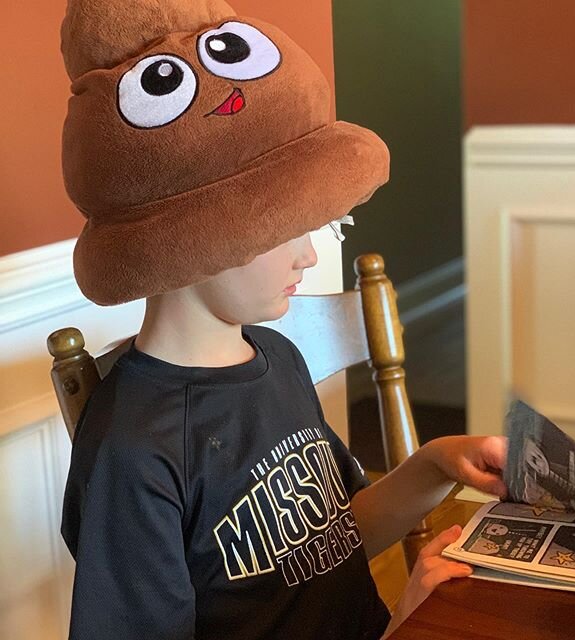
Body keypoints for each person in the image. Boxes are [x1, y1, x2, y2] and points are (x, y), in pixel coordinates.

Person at [58, 1, 507, 638]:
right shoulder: (132, 453)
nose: (310, 253)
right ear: (190, 238)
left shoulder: (279, 359)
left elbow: (332, 539)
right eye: (286, 229)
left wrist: (434, 464)